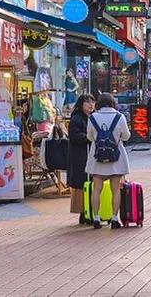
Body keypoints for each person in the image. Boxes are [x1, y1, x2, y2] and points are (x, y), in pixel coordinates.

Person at [86, 93, 131, 229]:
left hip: (97, 158)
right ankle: (114, 218)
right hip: (115, 159)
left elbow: (90, 137)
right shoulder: (119, 117)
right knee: (115, 189)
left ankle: (96, 218)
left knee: (97, 189)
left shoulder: (92, 117)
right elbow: (126, 137)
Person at [67, 95, 96, 224]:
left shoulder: (94, 117)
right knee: (82, 184)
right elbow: (74, 135)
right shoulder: (76, 118)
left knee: (92, 182)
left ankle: (91, 211)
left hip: (91, 154)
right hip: (80, 156)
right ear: (81, 104)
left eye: (93, 102)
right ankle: (83, 212)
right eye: (87, 102)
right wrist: (88, 137)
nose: (91, 105)